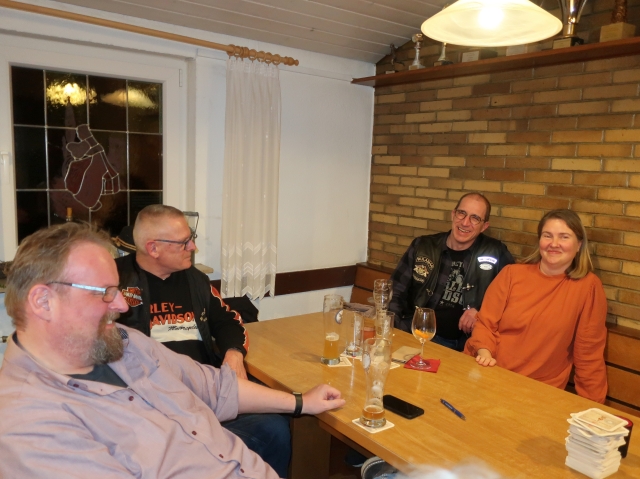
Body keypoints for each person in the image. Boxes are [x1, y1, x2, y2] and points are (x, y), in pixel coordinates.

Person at [0, 223, 345, 478]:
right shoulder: (27, 424)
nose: (121, 305)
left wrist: (301, 402)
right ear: (43, 301)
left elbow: (214, 386)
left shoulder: (124, 343)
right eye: (104, 293)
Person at [115, 204, 290, 476]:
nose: (193, 247)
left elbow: (228, 320)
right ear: (153, 248)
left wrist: (234, 353)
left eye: (191, 238)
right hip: (156, 406)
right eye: (184, 242)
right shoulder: (115, 284)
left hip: (207, 396)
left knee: (275, 426)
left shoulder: (195, 280)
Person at [464, 209, 608, 403]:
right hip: (487, 372)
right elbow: (485, 324)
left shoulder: (588, 287)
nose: (554, 244)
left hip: (537, 393)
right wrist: (485, 354)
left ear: (579, 245)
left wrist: (593, 407)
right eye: (547, 235)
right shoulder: (511, 274)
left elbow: (589, 353)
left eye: (564, 237)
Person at [388, 192, 514, 351]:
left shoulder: (497, 253)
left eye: (475, 218)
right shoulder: (423, 246)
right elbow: (395, 291)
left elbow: (512, 299)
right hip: (417, 334)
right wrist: (396, 330)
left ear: (484, 226)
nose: (465, 223)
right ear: (453, 214)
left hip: (466, 344)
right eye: (462, 213)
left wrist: (480, 312)